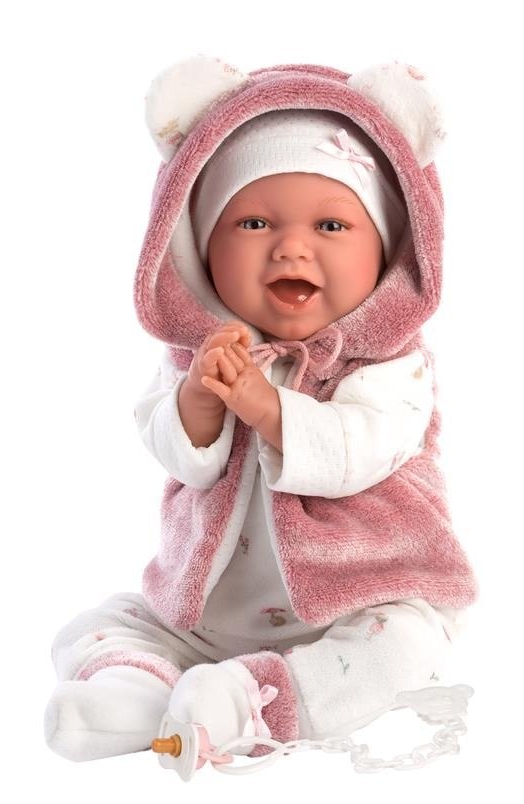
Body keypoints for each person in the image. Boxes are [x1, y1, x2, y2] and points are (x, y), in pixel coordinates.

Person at [44, 56, 479, 763]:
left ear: (388, 250)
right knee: (96, 623)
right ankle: (139, 692)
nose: (291, 247)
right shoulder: (203, 354)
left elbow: (359, 449)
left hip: (356, 603)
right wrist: (197, 402)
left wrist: (266, 407)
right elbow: (173, 448)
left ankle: (252, 702)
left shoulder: (391, 365)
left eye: (332, 225)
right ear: (199, 247)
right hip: (210, 616)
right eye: (252, 222)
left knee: (404, 644)